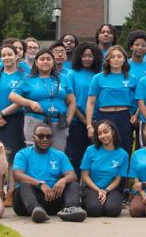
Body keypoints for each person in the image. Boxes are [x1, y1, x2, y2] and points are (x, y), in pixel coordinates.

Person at [11, 122, 86, 223]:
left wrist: (63, 180)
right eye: (41, 136)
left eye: (48, 136)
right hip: (28, 200)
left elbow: (72, 175)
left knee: (73, 184)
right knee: (24, 185)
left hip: (52, 195)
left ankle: (71, 209)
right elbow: (17, 175)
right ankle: (36, 210)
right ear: (33, 137)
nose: (45, 139)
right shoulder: (23, 154)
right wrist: (40, 184)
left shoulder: (59, 155)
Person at [0, 43, 27, 205]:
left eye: (10, 54)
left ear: (17, 56)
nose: (6, 58)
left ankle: (11, 191)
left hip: (14, 120)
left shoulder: (23, 76)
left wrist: (3, 114)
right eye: (3, 55)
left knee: (11, 158)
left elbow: (21, 100)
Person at [9, 49, 75, 151]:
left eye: (48, 59)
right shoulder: (28, 79)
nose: (45, 61)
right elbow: (13, 96)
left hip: (58, 123)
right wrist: (30, 103)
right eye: (42, 59)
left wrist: (68, 121)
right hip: (35, 120)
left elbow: (71, 102)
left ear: (53, 62)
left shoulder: (64, 78)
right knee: (34, 154)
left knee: (57, 154)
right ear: (36, 62)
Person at [87, 45, 136, 154]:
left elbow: (140, 100)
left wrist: (135, 114)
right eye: (113, 57)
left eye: (119, 56)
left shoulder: (132, 79)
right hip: (104, 117)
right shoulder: (98, 78)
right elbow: (90, 102)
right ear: (107, 59)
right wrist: (89, 125)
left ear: (124, 59)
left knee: (124, 149)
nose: (116, 59)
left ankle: (123, 171)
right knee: (101, 148)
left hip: (123, 117)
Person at [78, 120, 129, 217]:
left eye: (106, 132)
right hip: (92, 188)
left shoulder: (123, 155)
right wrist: (98, 190)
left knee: (112, 210)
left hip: (111, 189)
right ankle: (88, 201)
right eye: (99, 134)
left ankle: (106, 201)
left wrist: (105, 191)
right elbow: (84, 176)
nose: (102, 136)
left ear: (113, 131)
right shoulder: (90, 150)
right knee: (94, 210)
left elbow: (117, 180)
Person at [66, 42, 102, 173]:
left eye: (90, 56)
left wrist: (92, 121)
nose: (87, 59)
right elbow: (70, 100)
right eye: (84, 56)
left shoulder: (100, 74)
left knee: (95, 157)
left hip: (97, 121)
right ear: (79, 57)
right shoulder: (72, 74)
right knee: (76, 157)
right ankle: (76, 187)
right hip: (77, 121)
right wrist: (84, 120)